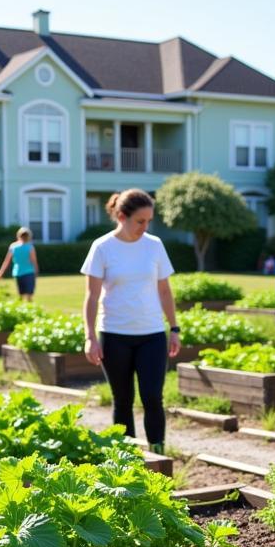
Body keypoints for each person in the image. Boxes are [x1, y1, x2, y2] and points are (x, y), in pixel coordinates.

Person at [81, 189, 180, 454]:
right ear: (122, 216)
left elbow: (165, 290)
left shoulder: (154, 245)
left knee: (152, 398)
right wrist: (89, 336)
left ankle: (158, 456)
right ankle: (126, 460)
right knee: (122, 400)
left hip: (152, 335)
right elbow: (91, 296)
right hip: (114, 335)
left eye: (149, 221)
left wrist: (174, 328)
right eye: (140, 221)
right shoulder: (102, 247)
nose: (145, 226)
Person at [0, 227, 39, 301]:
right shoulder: (28, 247)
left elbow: (6, 261)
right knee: (26, 295)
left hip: (20, 272)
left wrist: (1, 272)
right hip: (27, 272)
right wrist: (36, 271)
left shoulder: (14, 246)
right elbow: (34, 261)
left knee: (23, 295)